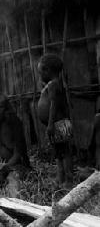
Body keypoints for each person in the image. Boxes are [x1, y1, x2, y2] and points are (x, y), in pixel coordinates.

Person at [37, 54, 73, 186]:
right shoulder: (53, 84)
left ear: (47, 71)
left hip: (58, 124)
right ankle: (61, 178)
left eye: (40, 72)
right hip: (57, 124)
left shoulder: (53, 84)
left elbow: (53, 104)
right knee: (59, 153)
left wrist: (50, 124)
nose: (39, 75)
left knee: (64, 152)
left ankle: (68, 180)